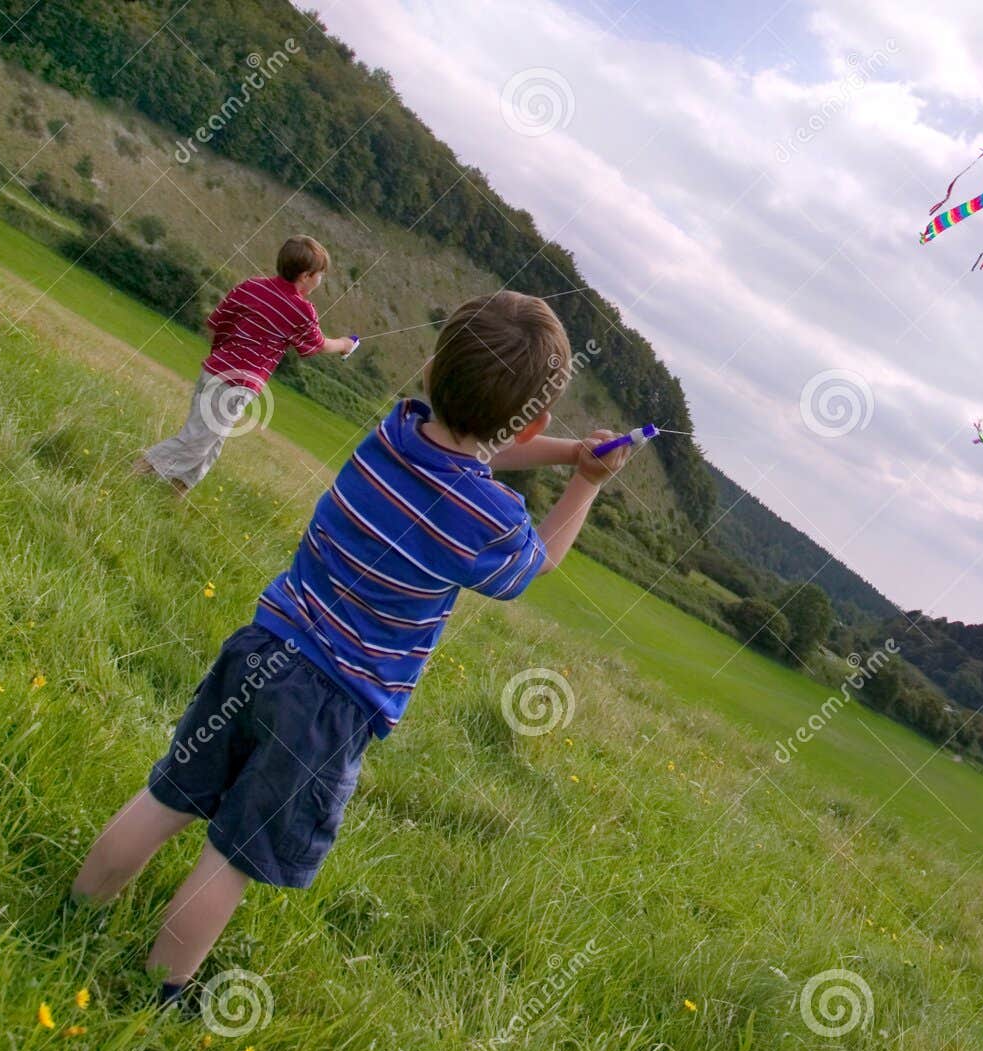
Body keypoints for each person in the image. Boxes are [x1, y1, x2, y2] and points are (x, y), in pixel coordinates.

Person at [74, 291, 630, 1005]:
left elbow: (481, 438)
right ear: (537, 419)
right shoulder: (487, 516)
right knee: (232, 856)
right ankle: (161, 993)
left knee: (170, 794)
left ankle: (77, 908)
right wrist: (583, 480)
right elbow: (534, 564)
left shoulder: (393, 432)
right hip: (331, 705)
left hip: (262, 648)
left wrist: (564, 450)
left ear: (429, 372)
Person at [136, 235, 357, 493]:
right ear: (306, 276)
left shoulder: (251, 286)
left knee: (211, 444)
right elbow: (317, 346)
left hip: (214, 371)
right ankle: (136, 470)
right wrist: (344, 344)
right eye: (320, 275)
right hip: (233, 384)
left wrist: (221, 357)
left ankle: (175, 495)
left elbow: (216, 323)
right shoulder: (302, 310)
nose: (321, 280)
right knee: (197, 443)